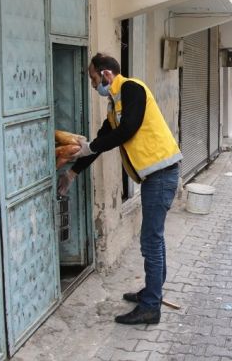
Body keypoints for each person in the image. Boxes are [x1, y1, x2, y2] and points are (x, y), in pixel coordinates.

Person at [58, 53, 182, 325]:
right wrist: (73, 172)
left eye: (93, 79)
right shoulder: (115, 106)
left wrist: (91, 147)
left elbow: (127, 130)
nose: (92, 86)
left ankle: (151, 307)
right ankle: (153, 293)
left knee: (150, 241)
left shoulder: (132, 89)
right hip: (155, 177)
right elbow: (103, 140)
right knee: (154, 239)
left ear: (106, 75)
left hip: (161, 176)